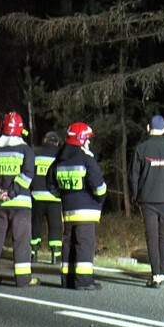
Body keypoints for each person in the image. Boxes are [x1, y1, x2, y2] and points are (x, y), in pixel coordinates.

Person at [0, 111, 36, 287]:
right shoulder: (26, 150)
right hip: (21, 204)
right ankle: (23, 279)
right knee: (22, 240)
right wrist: (12, 192)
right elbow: (27, 174)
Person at [47, 122, 106, 290]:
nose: (89, 142)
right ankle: (84, 282)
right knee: (84, 244)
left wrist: (64, 196)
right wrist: (100, 200)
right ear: (81, 139)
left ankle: (67, 279)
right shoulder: (86, 158)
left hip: (67, 210)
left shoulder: (60, 158)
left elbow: (50, 183)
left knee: (68, 244)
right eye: (88, 139)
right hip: (86, 211)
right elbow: (99, 186)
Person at [128, 114, 164, 288]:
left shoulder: (141, 149)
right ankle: (163, 273)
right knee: (163, 236)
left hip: (148, 199)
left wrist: (136, 197)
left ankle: (156, 274)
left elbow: (133, 176)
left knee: (152, 236)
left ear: (148, 129)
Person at [31, 131, 63, 264]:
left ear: (45, 140)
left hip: (36, 196)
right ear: (57, 142)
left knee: (35, 225)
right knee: (56, 227)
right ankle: (56, 256)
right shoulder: (60, 155)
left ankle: (32, 254)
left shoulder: (35, 153)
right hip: (54, 198)